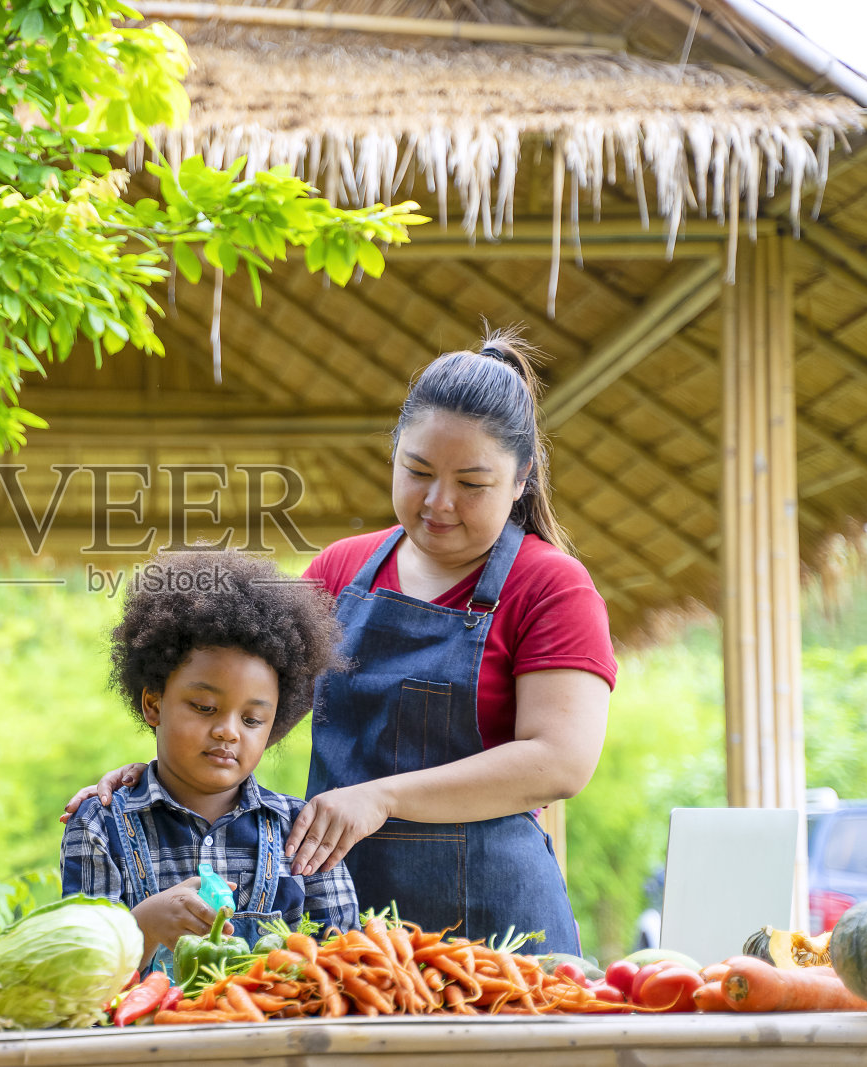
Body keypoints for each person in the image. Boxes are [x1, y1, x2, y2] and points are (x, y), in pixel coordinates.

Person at [65, 328, 614, 953]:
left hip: (500, 937)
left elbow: (560, 761)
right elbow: (242, 705)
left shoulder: (552, 586)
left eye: (472, 483)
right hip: (339, 935)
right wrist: (164, 770)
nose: (438, 501)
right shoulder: (338, 571)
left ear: (520, 481)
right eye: (417, 471)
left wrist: (381, 799)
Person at [60, 549, 359, 974]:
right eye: (203, 707)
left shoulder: (303, 833)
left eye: (253, 719)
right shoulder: (99, 825)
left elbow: (348, 967)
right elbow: (76, 976)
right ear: (153, 703)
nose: (228, 731)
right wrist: (141, 928)